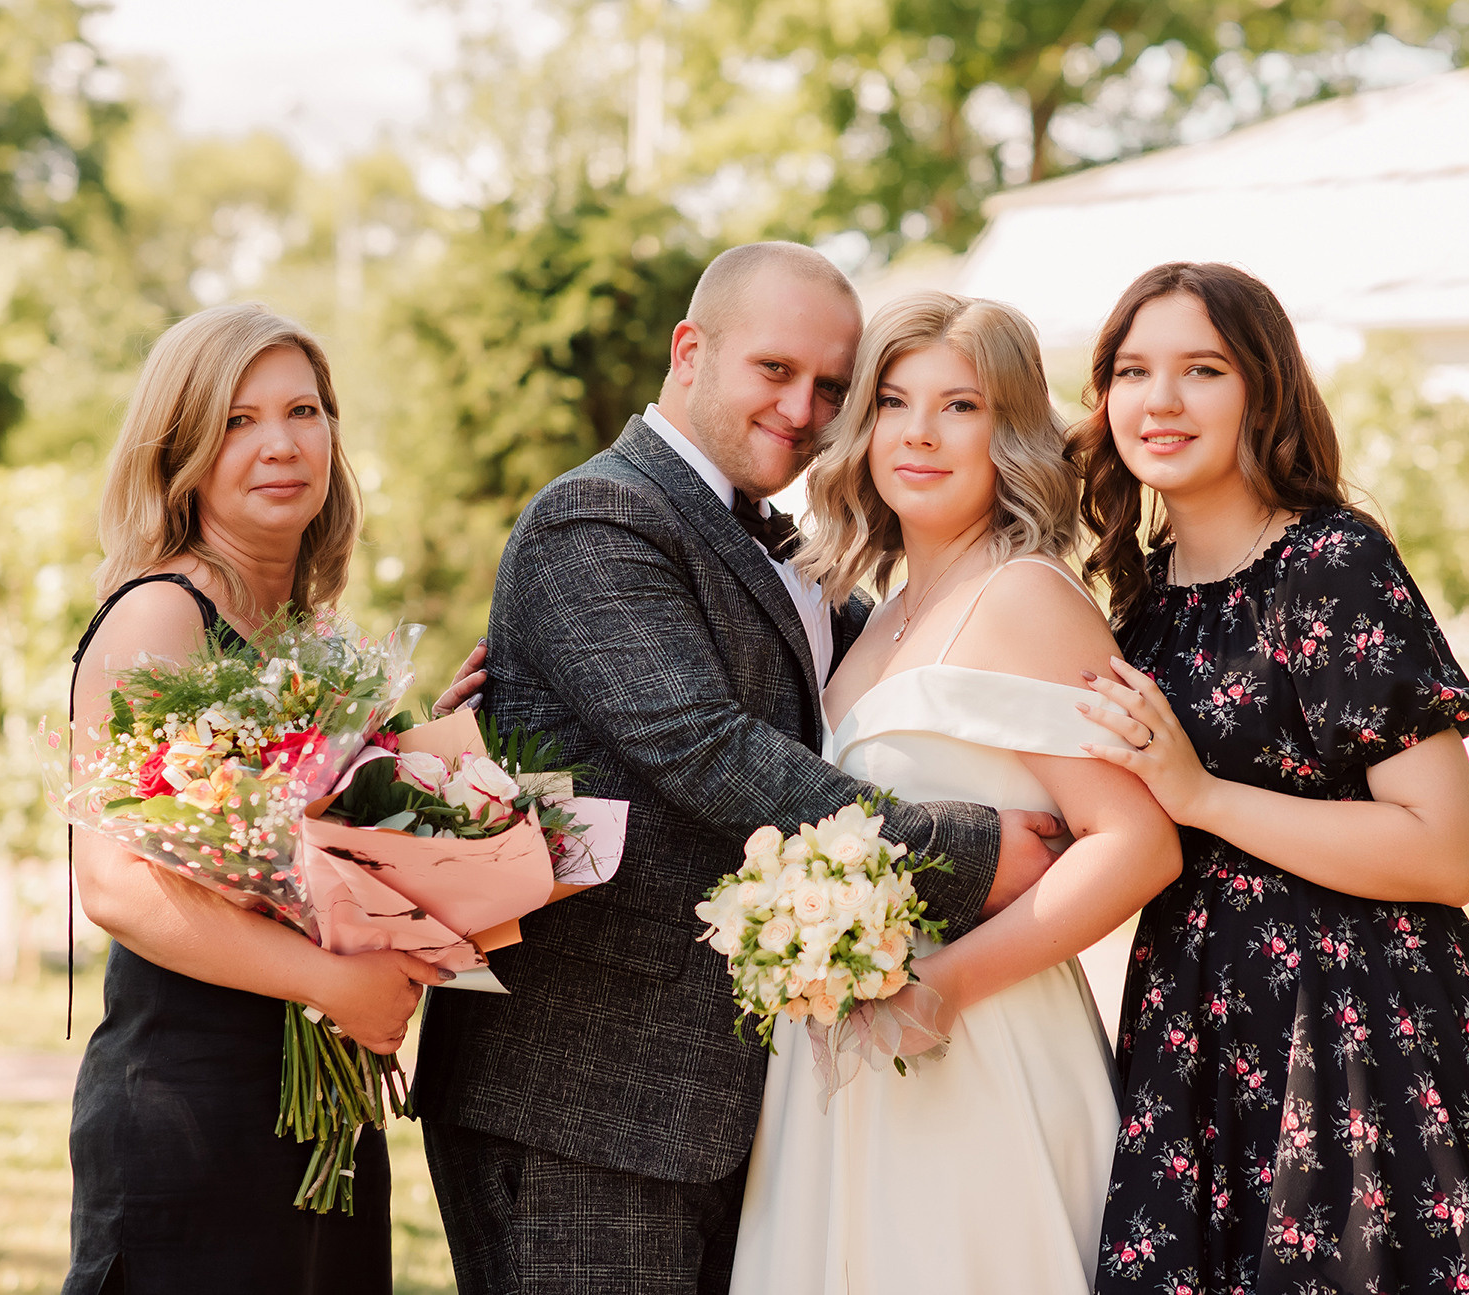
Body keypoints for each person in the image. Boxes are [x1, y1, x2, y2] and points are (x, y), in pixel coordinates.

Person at [411, 245, 1067, 1295]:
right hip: (584, 1097)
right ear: (689, 351)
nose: (802, 410)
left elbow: (896, 696)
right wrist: (966, 852)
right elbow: (706, 746)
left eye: (831, 387)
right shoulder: (598, 516)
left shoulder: (804, 559)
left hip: (743, 1103)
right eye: (774, 370)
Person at [1071, 262, 1469, 1294]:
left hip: (1355, 1030)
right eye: (1131, 371)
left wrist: (1204, 795)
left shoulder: (1331, 561)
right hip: (1197, 1030)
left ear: (1262, 391)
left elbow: (1444, 849)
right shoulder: (1141, 597)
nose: (1159, 399)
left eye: (1201, 369)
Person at [729, 291, 1182, 1295]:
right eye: (894, 402)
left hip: (979, 1043)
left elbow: (1136, 843)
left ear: (1007, 430)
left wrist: (941, 990)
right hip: (844, 1054)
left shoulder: (1027, 594)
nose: (920, 433)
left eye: (960, 405)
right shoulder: (873, 617)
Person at [63, 304, 449, 1294]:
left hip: (321, 1115)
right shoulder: (163, 612)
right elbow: (116, 884)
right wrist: (332, 982)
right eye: (238, 420)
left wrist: (436, 771)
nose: (280, 443)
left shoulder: (310, 635)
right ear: (180, 449)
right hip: (192, 1111)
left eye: (303, 411)